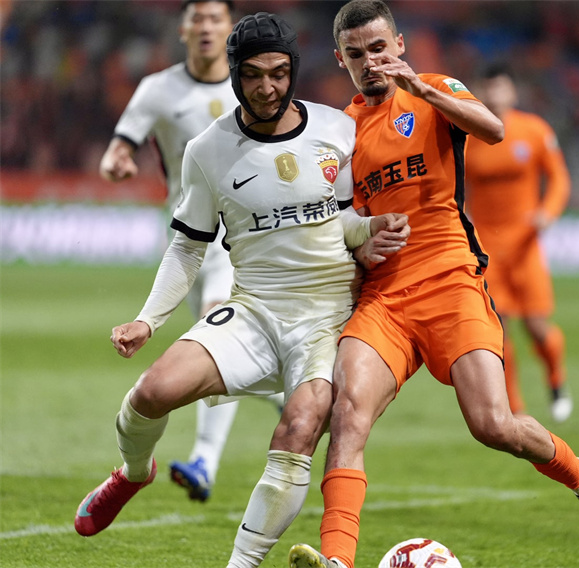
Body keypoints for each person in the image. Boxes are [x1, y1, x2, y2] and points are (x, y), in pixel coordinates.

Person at [288, 3, 579, 568]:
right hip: (384, 297)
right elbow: (336, 219)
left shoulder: (435, 89)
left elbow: (493, 129)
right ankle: (337, 561)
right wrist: (358, 243)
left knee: (494, 425)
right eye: (355, 54)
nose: (370, 62)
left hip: (451, 280)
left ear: (399, 45)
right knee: (348, 416)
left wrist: (421, 91)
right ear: (340, 60)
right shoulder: (339, 132)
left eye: (378, 49)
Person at [74, 14, 410, 568]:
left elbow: (345, 219)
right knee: (150, 393)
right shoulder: (208, 150)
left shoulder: (336, 129)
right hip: (254, 309)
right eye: (253, 75)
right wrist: (148, 320)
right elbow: (188, 247)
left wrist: (372, 230)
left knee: (298, 428)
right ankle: (134, 473)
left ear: (293, 71)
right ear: (234, 75)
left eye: (279, 73)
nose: (267, 87)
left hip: (328, 318)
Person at [99, 0, 282, 503]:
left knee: (215, 330)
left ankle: (204, 460)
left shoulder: (251, 86)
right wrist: (115, 163)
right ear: (183, 29)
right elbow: (120, 146)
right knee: (225, 348)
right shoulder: (157, 90)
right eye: (197, 18)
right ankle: (285, 392)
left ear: (229, 28)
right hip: (185, 235)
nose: (205, 26)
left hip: (239, 233)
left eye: (214, 18)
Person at [465, 64, 573, 422]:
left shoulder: (534, 130)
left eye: (500, 87)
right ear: (479, 92)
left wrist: (547, 212)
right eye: (488, 87)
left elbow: (559, 179)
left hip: (525, 245)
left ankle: (556, 379)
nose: (494, 94)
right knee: (499, 329)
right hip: (486, 248)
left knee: (538, 328)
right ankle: (515, 408)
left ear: (512, 91)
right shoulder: (467, 136)